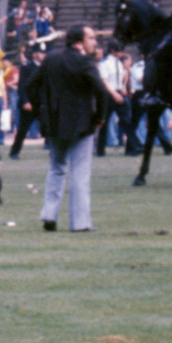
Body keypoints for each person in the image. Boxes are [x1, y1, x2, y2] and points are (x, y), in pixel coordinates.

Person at [28, 26, 116, 233]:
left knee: (57, 168)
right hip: (81, 124)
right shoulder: (85, 61)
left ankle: (49, 215)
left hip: (55, 123)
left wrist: (41, 113)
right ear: (79, 42)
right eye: (92, 38)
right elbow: (101, 91)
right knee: (79, 172)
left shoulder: (51, 59)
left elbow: (31, 85)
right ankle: (80, 222)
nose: (95, 42)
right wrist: (100, 117)